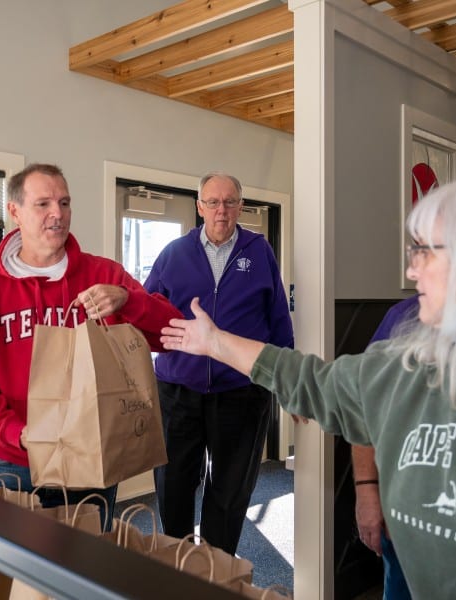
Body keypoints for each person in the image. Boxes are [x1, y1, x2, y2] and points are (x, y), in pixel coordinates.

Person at [159, 169, 456, 598]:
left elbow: (278, 323)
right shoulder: (400, 361)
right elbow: (314, 381)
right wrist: (214, 342)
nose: (411, 267)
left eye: (426, 251)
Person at [0, 163, 182, 529]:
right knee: (15, 577)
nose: (57, 214)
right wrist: (17, 434)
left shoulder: (103, 275)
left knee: (87, 571)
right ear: (15, 212)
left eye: (64, 202)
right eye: (43, 204)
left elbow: (172, 331)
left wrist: (127, 300)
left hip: (91, 460)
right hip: (15, 463)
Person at [143, 171, 294, 555]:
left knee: (229, 492)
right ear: (200, 207)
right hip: (178, 391)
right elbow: (145, 312)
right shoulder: (173, 254)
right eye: (212, 202)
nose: (221, 210)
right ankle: (174, 569)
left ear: (241, 207)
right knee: (173, 486)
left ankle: (215, 573)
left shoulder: (259, 252)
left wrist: (288, 383)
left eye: (229, 202)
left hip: (242, 392)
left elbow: (278, 320)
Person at [352, 295, 419, 600]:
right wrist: (367, 492)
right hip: (405, 511)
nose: (412, 269)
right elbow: (365, 405)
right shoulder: (403, 316)